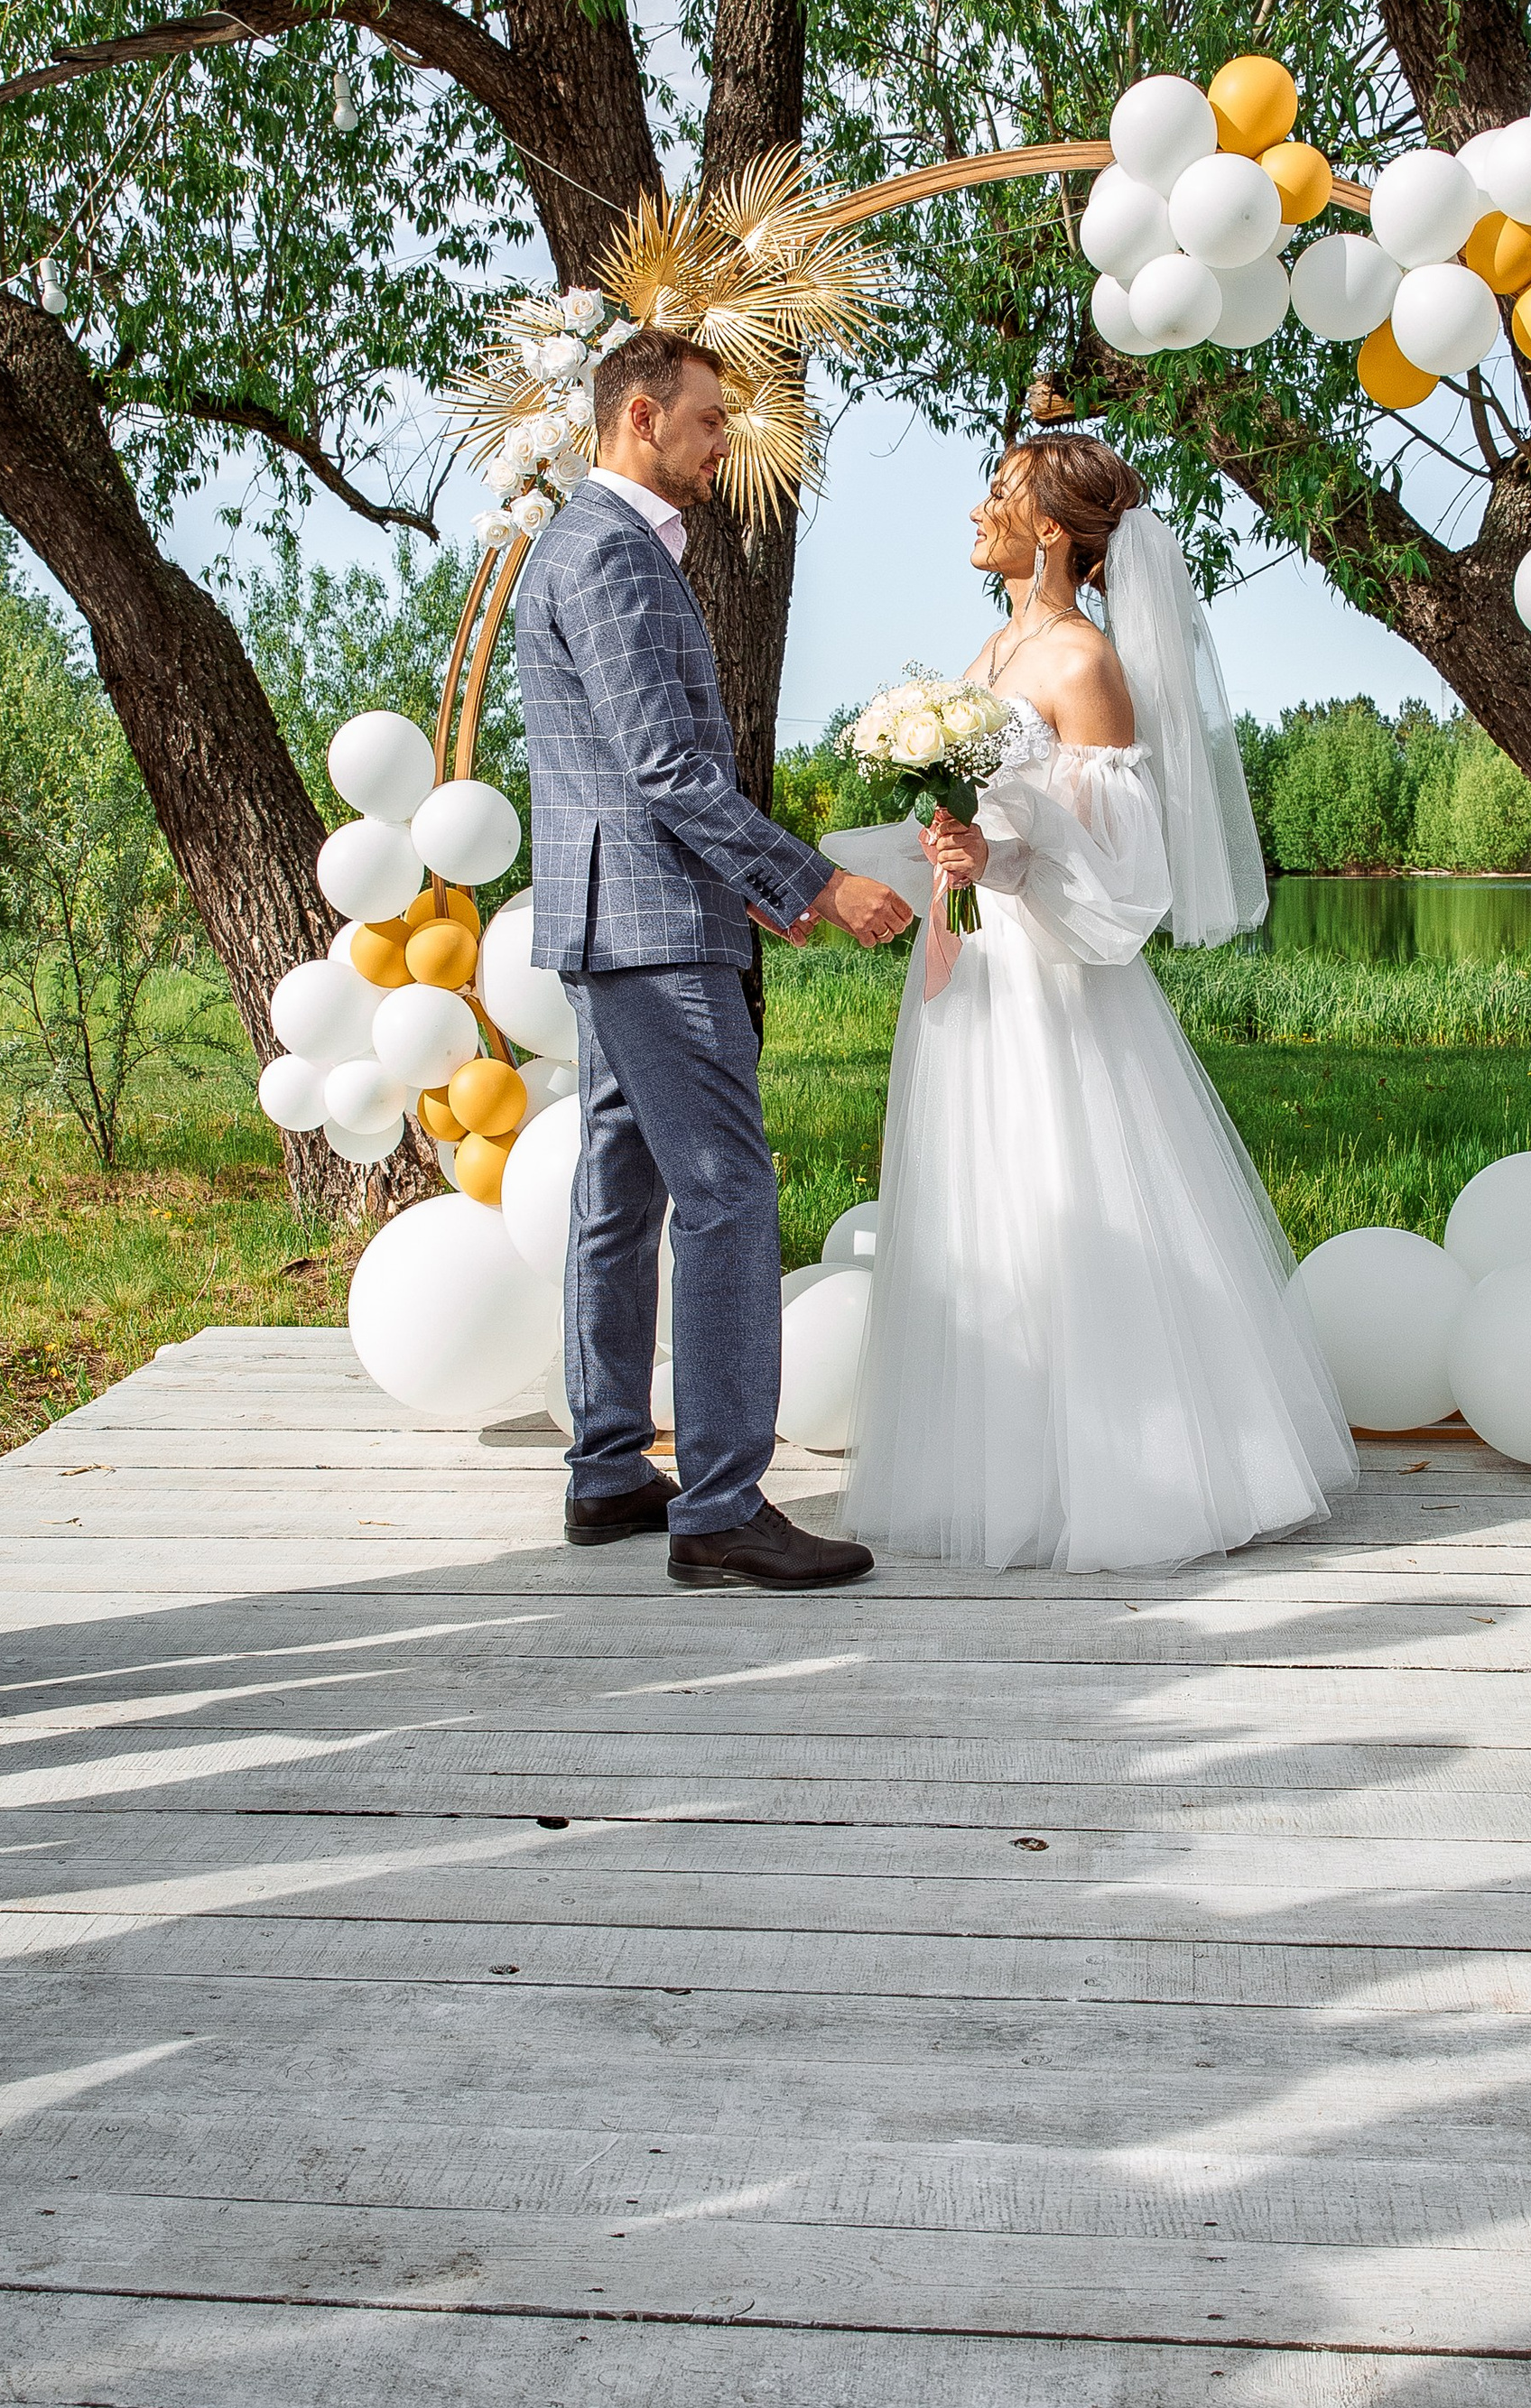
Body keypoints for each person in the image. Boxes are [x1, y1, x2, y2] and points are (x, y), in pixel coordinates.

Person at [830, 431, 1358, 1570]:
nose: (980, 509)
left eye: (1002, 496)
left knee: (1069, 1192)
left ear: (1053, 533)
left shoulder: (1083, 664)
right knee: (985, 1209)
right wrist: (943, 844)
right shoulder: (991, 645)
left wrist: (1002, 860)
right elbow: (1006, 815)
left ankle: (1138, 1477)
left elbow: (1123, 875)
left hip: (1052, 983)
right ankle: (994, 1472)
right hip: (972, 977)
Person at [515, 327, 914, 1591]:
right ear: (639, 416)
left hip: (618, 916)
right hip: (650, 930)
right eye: (705, 422)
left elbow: (629, 780)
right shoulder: (616, 552)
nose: (721, 442)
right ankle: (726, 1508)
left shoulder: (582, 544)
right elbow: (668, 770)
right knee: (729, 1194)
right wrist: (811, 880)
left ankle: (609, 1470)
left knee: (620, 1195)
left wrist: (752, 896)